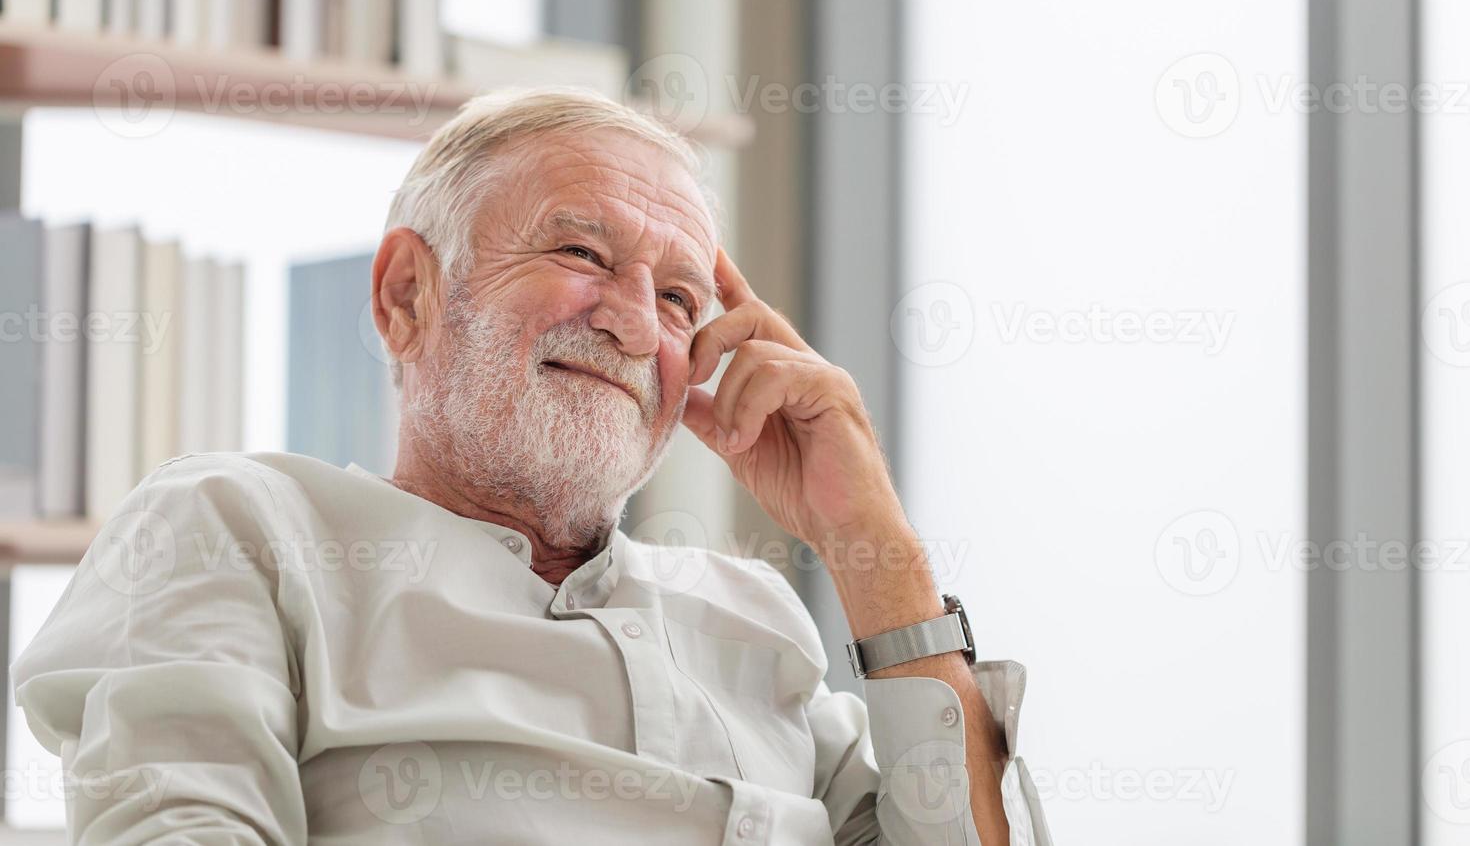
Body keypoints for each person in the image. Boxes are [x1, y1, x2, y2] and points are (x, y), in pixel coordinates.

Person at [12, 89, 1051, 844]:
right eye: (582, 254)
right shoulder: (238, 529)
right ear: (408, 293)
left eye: (683, 299)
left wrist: (879, 555)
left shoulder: (753, 616)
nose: (636, 321)